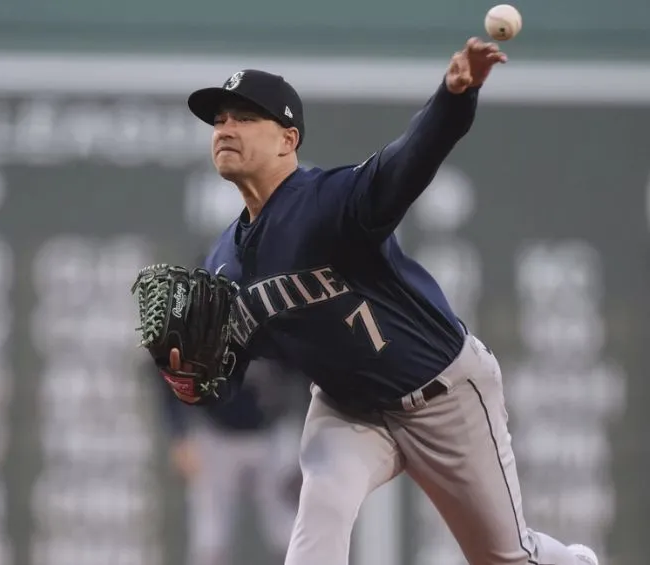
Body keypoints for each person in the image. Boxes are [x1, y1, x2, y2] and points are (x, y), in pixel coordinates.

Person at [165, 37, 600, 565]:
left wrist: (454, 95)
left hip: (444, 395)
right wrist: (191, 377)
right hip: (351, 409)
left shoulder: (329, 202)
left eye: (244, 118)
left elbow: (408, 162)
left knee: (505, 558)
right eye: (218, 121)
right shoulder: (222, 264)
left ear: (288, 139)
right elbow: (228, 373)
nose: (225, 129)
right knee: (319, 512)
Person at [159, 356, 305, 565]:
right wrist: (180, 435)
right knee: (209, 542)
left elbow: (309, 367)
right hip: (216, 434)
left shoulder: (279, 324)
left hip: (275, 433)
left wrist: (311, 435)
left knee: (292, 535)